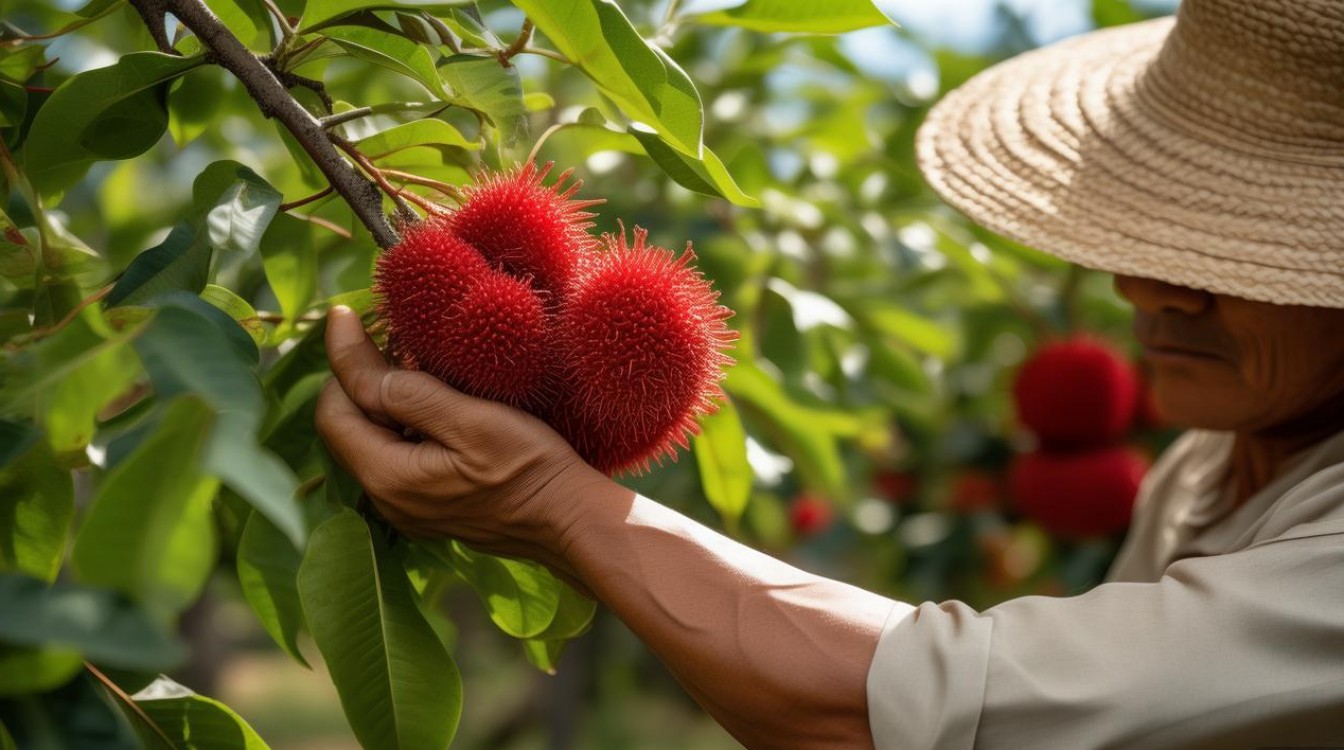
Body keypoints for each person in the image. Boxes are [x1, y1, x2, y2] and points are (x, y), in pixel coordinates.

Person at [315, 0, 1344, 746]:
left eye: (1241, 256)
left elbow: (892, 710)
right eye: (1166, 229)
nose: (1149, 289)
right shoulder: (1203, 466)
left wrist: (550, 500)